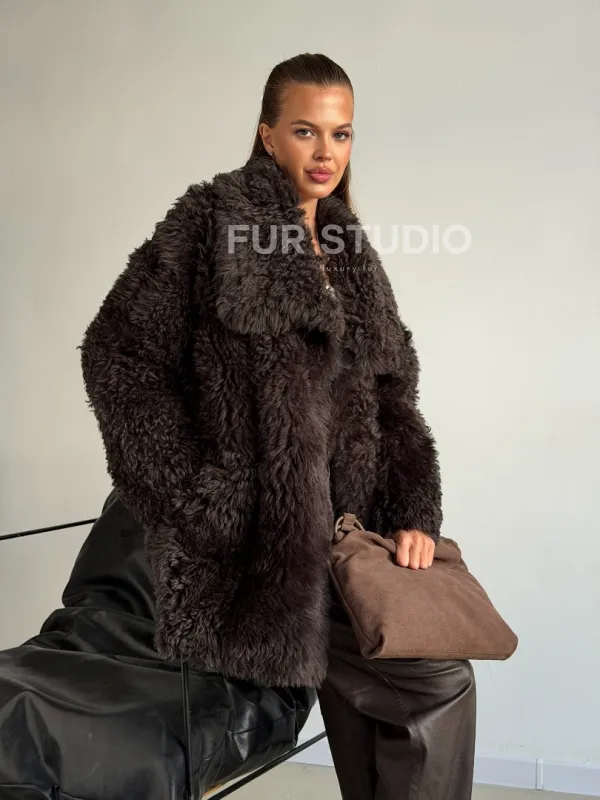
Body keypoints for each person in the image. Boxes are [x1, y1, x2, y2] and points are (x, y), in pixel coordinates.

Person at [79, 53, 476, 799]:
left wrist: (413, 515)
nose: (326, 152)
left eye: (341, 133)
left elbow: (395, 396)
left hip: (350, 542)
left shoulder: (348, 248)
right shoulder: (211, 222)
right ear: (267, 134)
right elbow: (117, 354)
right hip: (256, 552)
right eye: (305, 131)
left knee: (425, 683)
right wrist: (198, 492)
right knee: (425, 686)